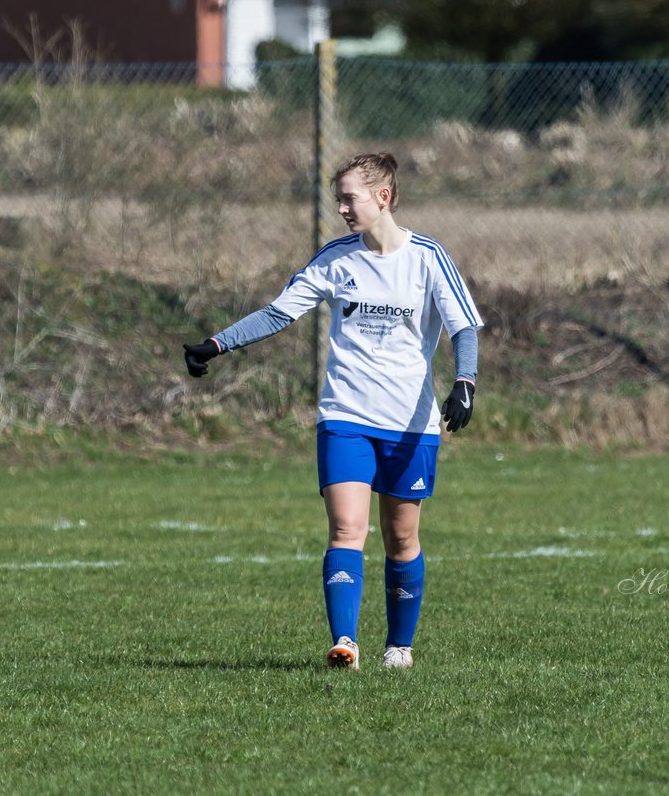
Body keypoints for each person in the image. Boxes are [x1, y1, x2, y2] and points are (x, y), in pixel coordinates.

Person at [184, 152, 481, 671]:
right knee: (346, 529)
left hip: (409, 423)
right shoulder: (336, 259)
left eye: (350, 198)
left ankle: (399, 647)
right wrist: (218, 343)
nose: (342, 208)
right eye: (339, 198)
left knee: (401, 537)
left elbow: (463, 327)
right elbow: (281, 311)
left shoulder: (428, 258)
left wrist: (464, 383)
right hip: (345, 413)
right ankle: (345, 642)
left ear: (382, 197)